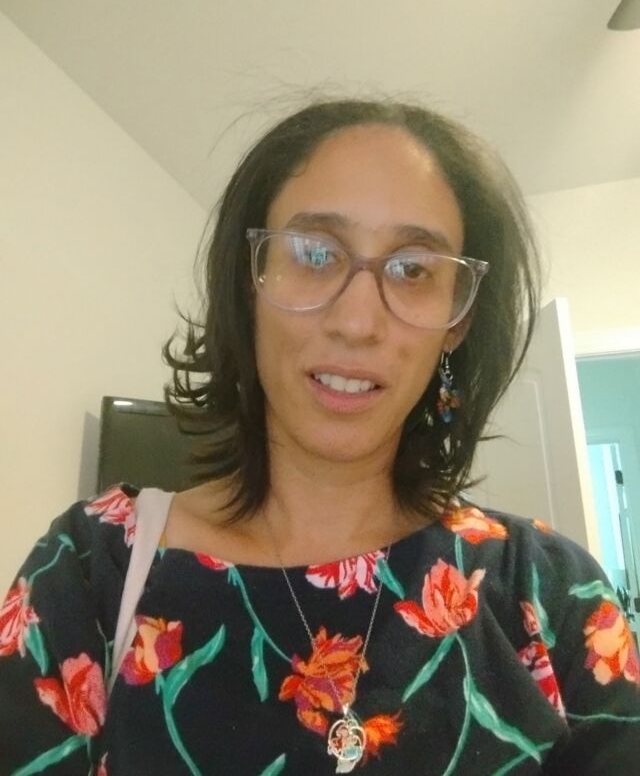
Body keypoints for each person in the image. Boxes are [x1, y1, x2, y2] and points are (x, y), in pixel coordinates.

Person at [1, 98, 638, 775]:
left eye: (413, 269)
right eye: (314, 253)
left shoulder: (549, 592)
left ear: (458, 320)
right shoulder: (89, 569)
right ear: (249, 282)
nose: (357, 322)